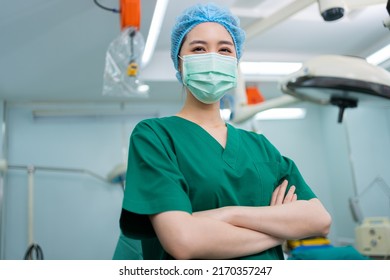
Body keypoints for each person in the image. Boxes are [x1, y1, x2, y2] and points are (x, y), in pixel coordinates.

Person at [115, 2, 332, 260]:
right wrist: (279, 227)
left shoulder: (260, 147)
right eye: (198, 48)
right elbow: (184, 242)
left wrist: (229, 214)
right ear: (180, 62)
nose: (213, 57)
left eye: (225, 49)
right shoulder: (155, 136)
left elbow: (319, 219)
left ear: (235, 62)